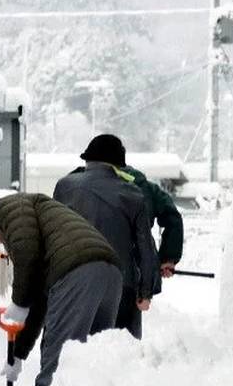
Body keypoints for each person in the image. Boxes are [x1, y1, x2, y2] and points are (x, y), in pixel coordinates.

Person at [0, 191, 122, 386]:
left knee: (58, 359)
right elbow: (39, 298)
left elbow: (27, 256)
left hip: (76, 273)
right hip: (109, 274)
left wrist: (19, 303)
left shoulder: (10, 209)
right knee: (92, 362)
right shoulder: (29, 211)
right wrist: (18, 353)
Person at [53, 134, 160, 339]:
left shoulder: (64, 187)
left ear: (87, 160)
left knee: (73, 357)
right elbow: (145, 248)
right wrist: (145, 292)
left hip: (75, 285)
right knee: (120, 357)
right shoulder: (133, 194)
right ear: (118, 166)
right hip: (122, 288)